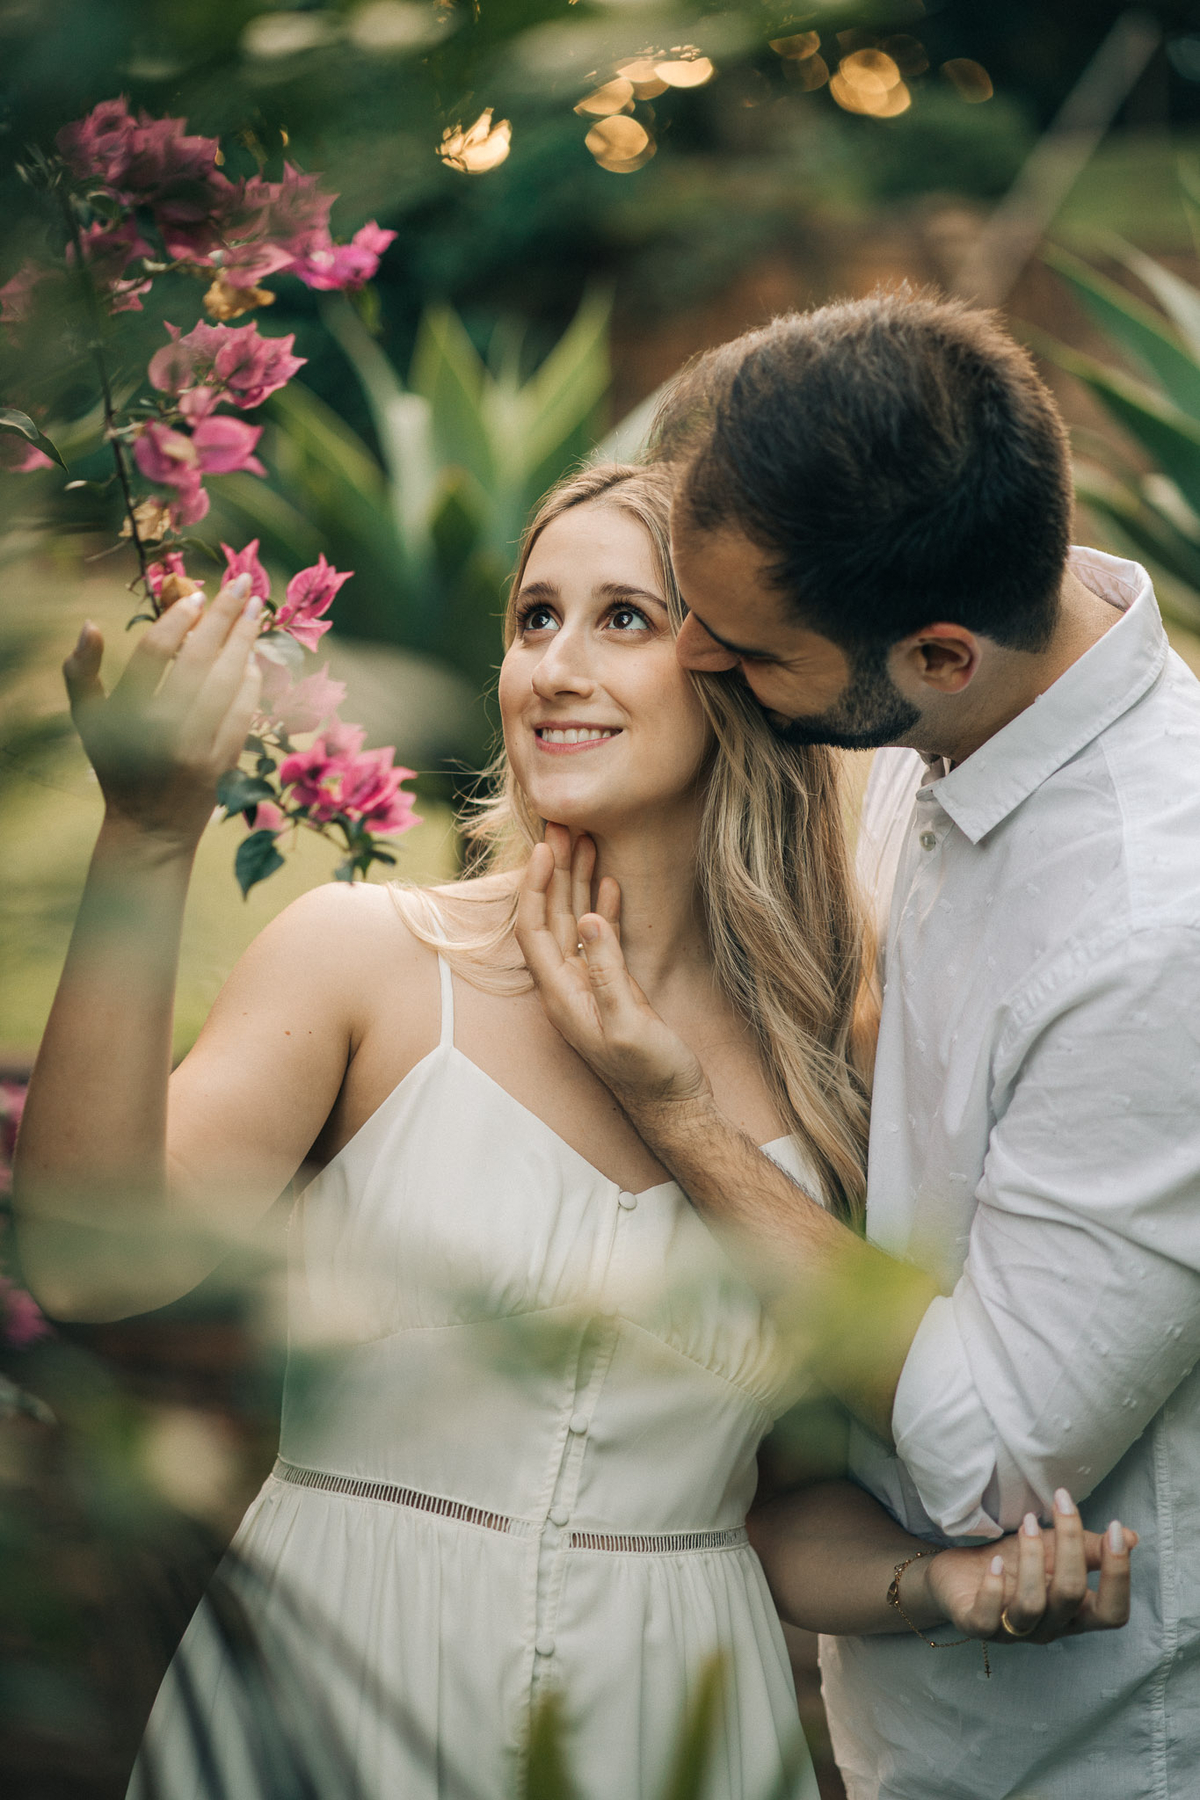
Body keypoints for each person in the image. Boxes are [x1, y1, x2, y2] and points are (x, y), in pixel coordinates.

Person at [14, 463, 1129, 1800]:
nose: (554, 668)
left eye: (624, 619)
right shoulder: (365, 963)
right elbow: (89, 1266)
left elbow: (781, 1497)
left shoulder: (844, 1061)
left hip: (673, 1728)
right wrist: (147, 837)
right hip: (331, 1698)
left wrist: (941, 1583)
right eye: (534, 617)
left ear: (740, 675)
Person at [514, 294, 1200, 1799]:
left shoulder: (1157, 931)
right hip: (895, 1730)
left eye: (747, 646)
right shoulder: (937, 705)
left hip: (1084, 1758)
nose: (697, 658)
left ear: (940, 656)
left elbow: (990, 1455)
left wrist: (679, 1115)